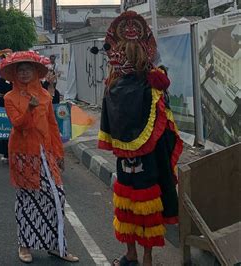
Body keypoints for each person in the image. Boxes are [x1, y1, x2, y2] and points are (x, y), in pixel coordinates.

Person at [97, 11, 182, 266]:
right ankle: (140, 257)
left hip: (130, 160)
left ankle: (139, 256)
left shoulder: (122, 85)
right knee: (140, 207)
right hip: (147, 159)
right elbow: (166, 125)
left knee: (132, 205)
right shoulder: (148, 85)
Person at [0, 51, 79, 263]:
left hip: (45, 152)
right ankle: (24, 246)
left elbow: (53, 126)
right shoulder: (10, 97)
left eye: (28, 69)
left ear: (36, 72)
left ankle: (57, 246)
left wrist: (59, 153)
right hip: (23, 154)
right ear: (15, 74)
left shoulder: (45, 95)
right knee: (26, 199)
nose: (24, 73)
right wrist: (30, 108)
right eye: (20, 70)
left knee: (57, 196)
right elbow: (19, 124)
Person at [0, 77, 13, 162]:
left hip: (14, 107)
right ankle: (6, 153)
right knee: (5, 131)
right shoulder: (1, 80)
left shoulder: (17, 80)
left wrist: (4, 95)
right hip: (2, 109)